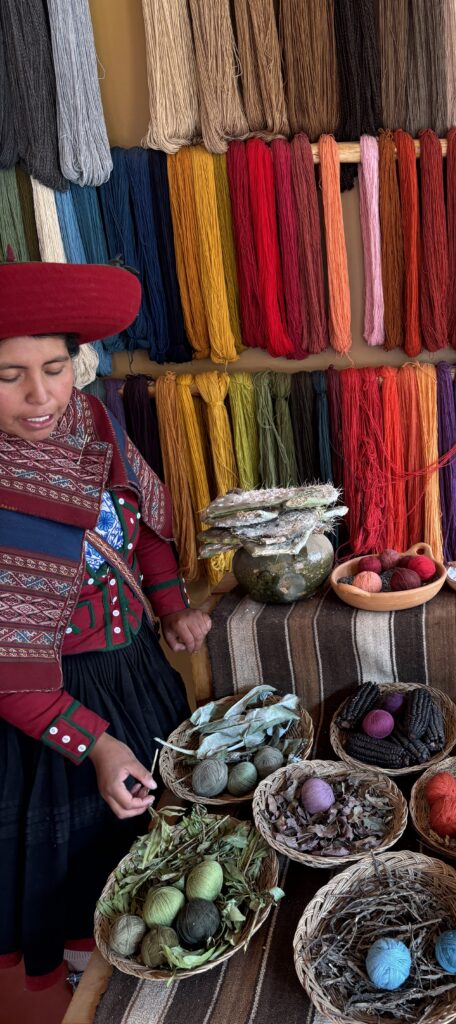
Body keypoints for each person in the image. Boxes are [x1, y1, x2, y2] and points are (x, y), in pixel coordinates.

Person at [0, 259, 212, 990]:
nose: (40, 396)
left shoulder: (93, 424)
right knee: (80, 857)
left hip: (135, 674)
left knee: (152, 836)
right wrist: (94, 745)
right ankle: (91, 978)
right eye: (9, 376)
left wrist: (172, 608)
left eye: (54, 368)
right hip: (46, 704)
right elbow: (7, 671)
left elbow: (141, 524)